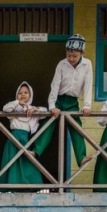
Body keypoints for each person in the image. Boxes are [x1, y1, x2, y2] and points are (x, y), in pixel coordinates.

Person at [33, 33, 93, 167]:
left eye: (74, 56)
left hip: (72, 102)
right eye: (68, 55)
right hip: (59, 99)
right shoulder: (62, 64)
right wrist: (52, 105)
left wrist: (87, 105)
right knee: (48, 124)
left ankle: (81, 157)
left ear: (82, 53)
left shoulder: (87, 65)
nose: (71, 58)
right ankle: (36, 151)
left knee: (76, 127)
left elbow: (88, 85)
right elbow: (54, 86)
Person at [0, 82, 47, 189]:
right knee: (13, 163)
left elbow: (46, 112)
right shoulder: (14, 107)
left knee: (27, 164)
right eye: (20, 93)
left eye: (26, 92)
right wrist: (17, 102)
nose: (23, 95)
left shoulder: (33, 109)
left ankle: (28, 188)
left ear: (30, 95)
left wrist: (35, 110)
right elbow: (5, 108)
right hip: (14, 137)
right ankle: (12, 188)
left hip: (25, 139)